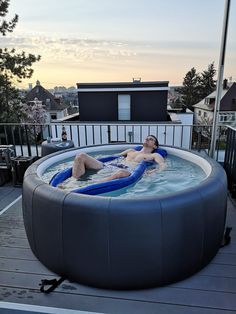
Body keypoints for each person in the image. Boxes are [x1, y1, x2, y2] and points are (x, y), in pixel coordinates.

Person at [72, 135, 166, 182]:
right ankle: (73, 182)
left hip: (128, 170)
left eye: (151, 139)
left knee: (120, 172)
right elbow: (115, 156)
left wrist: (154, 171)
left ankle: (88, 184)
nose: (147, 139)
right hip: (110, 166)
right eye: (147, 138)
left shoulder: (154, 155)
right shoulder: (130, 150)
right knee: (80, 156)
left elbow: (163, 165)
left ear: (155, 146)